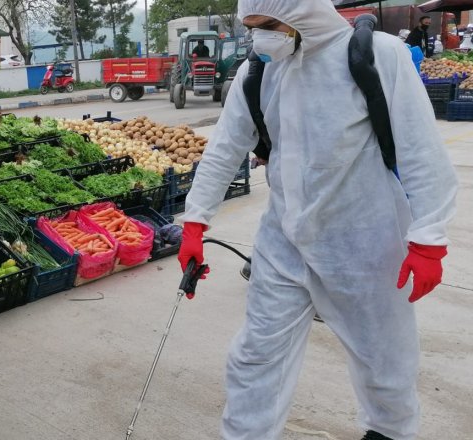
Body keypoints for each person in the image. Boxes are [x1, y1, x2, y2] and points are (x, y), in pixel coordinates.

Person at [176, 1, 457, 439]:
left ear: (304, 12)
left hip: (365, 241)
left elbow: (420, 149)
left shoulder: (378, 56)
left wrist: (428, 239)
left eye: (269, 25)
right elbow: (224, 149)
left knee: (383, 358)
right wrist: (195, 222)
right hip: (283, 240)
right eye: (251, 28)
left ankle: (389, 431)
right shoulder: (259, 72)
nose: (261, 38)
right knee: (256, 355)